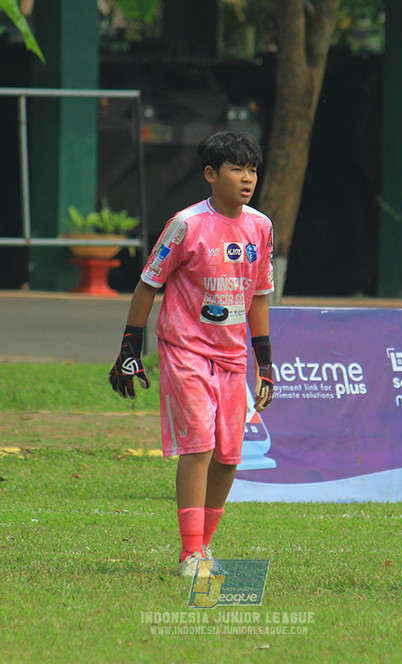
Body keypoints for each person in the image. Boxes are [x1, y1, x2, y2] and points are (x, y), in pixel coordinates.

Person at [109, 130, 275, 577]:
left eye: (252, 169)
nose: (247, 178)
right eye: (236, 168)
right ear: (210, 174)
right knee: (199, 444)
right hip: (185, 349)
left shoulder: (261, 227)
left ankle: (202, 548)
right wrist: (129, 347)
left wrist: (265, 363)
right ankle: (189, 554)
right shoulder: (187, 224)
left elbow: (258, 297)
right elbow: (149, 284)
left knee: (230, 456)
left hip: (232, 356)